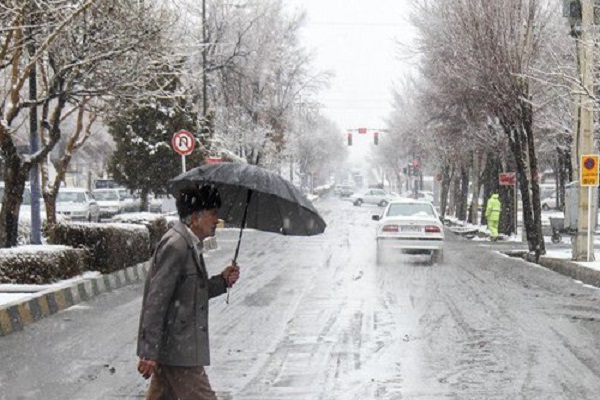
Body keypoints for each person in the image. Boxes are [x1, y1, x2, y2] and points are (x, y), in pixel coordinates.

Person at [137, 184, 240, 399]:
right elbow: (157, 299)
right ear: (195, 216)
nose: (216, 220)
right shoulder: (177, 246)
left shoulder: (189, 244)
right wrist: (148, 351)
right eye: (213, 214)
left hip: (174, 349)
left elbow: (192, 292)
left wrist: (222, 281)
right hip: (179, 350)